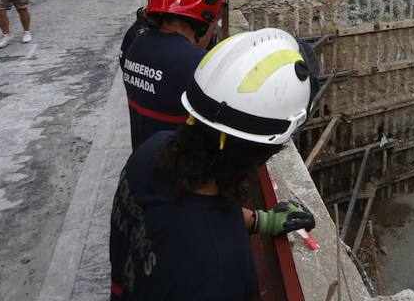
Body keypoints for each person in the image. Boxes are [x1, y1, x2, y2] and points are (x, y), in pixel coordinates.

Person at [109, 28, 318, 300]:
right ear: (265, 152)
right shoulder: (220, 270)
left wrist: (259, 221)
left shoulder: (153, 150)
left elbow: (182, 216)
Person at [121, 0, 223, 150]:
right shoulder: (197, 64)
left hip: (143, 157)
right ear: (206, 14)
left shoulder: (136, 43)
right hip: (178, 166)